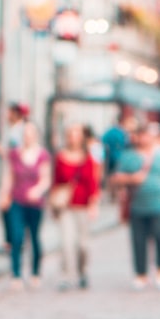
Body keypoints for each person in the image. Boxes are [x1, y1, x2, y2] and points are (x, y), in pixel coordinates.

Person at [110, 122, 160, 290]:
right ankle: (141, 274)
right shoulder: (128, 156)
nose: (144, 138)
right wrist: (131, 179)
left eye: (148, 135)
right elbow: (115, 178)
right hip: (137, 205)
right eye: (142, 134)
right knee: (138, 241)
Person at [0, 122, 51, 289]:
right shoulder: (14, 154)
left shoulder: (42, 155)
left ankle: (35, 272)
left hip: (35, 203)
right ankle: (16, 274)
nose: (28, 136)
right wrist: (4, 194)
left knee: (34, 237)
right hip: (17, 200)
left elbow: (45, 178)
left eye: (31, 133)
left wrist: (38, 190)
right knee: (16, 236)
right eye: (25, 133)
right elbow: (8, 176)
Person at [52, 124, 100, 290]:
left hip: (83, 206)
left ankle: (83, 271)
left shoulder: (88, 158)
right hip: (66, 206)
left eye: (76, 134)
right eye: (70, 133)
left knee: (83, 244)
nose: (73, 137)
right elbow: (56, 182)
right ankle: (65, 276)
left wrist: (94, 205)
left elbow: (93, 183)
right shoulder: (61, 157)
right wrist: (53, 206)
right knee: (66, 243)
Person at [0, 102, 28, 256]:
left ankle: (13, 242)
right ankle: (12, 241)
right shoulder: (15, 130)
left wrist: (2, 151)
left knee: (9, 209)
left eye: (9, 113)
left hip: (15, 177)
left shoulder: (19, 132)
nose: (7, 116)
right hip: (11, 175)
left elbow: (17, 154)